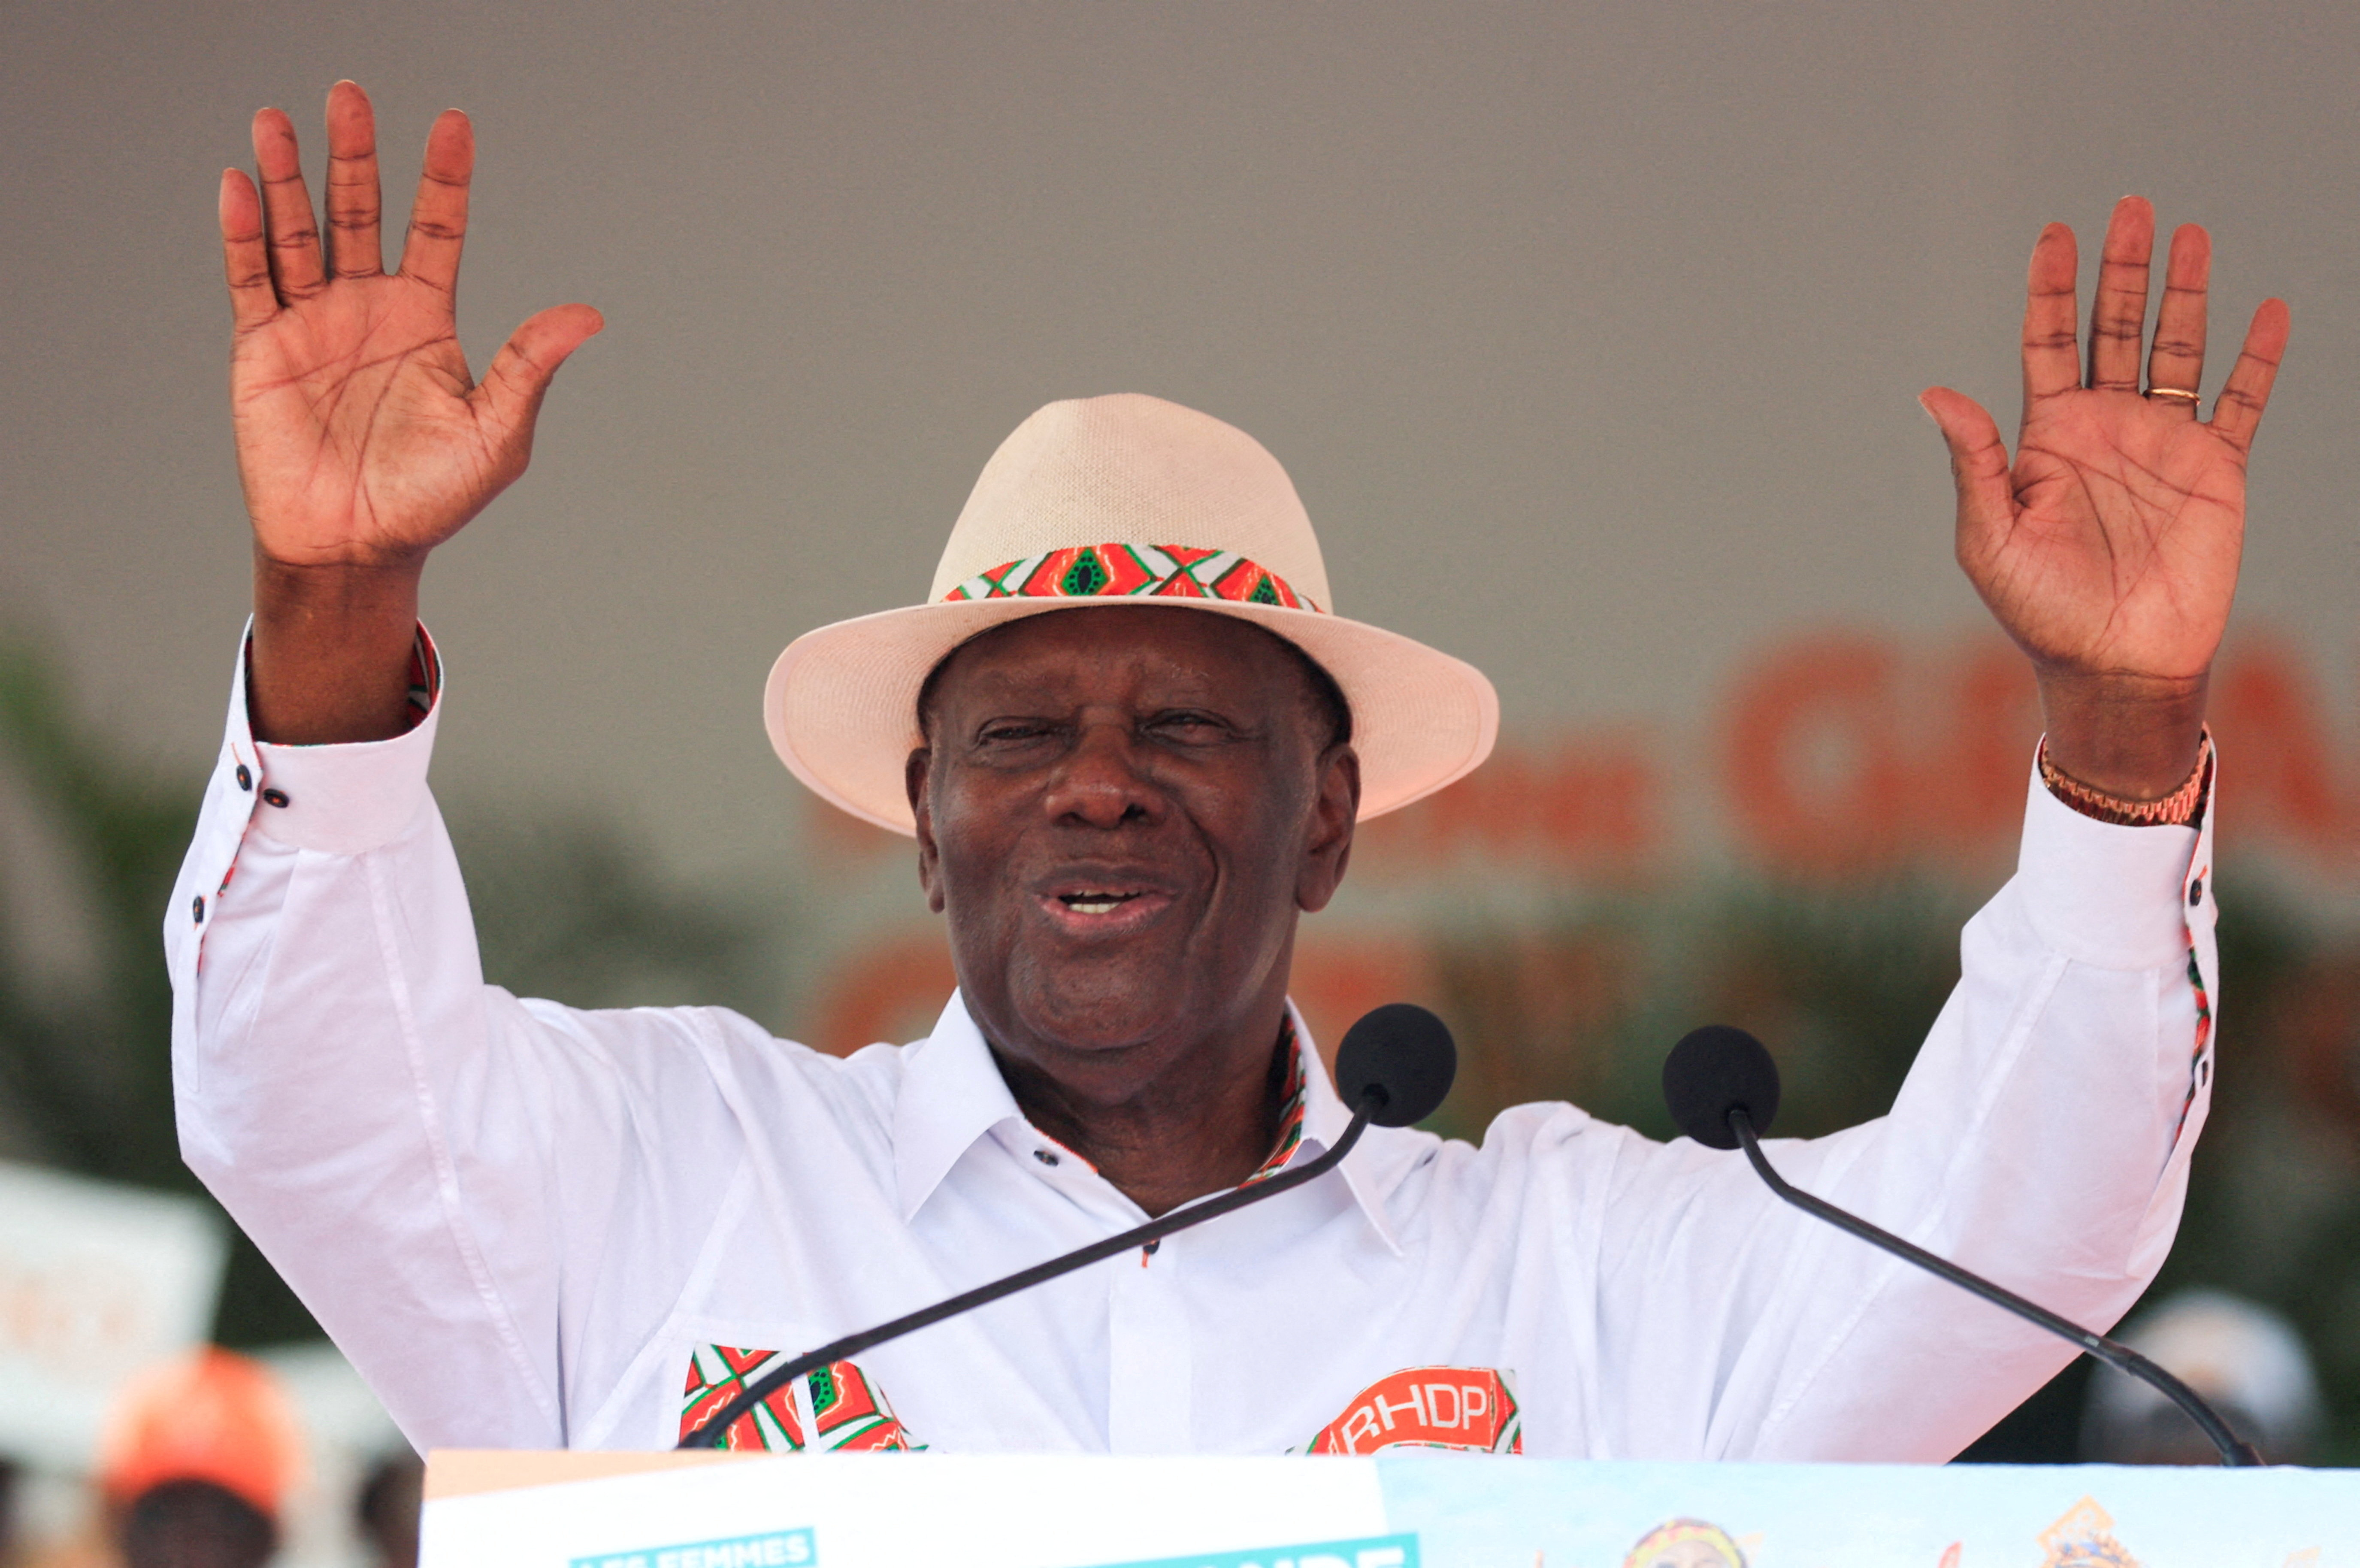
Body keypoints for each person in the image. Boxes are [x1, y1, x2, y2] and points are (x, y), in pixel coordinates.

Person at [170, 81, 2286, 1459]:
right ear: (925, 824)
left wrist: (2117, 727)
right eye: (1016, 734)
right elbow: (308, 1098)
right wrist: (332, 603)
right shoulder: (663, 1177)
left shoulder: (1581, 1273)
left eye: (1185, 726)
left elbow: (2027, 1221)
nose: (1097, 783)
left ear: (1331, 815)